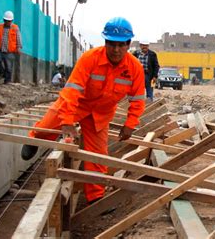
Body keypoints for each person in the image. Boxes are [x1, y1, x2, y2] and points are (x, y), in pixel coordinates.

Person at [21, 17, 145, 204]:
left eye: (121, 45)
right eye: (112, 44)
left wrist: (130, 124)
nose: (116, 49)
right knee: (47, 126)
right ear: (105, 42)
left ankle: (95, 198)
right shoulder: (90, 58)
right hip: (78, 104)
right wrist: (68, 121)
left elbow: (137, 99)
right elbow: (72, 91)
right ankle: (35, 138)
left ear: (128, 44)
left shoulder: (134, 68)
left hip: (101, 112)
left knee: (96, 156)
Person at [0, 11, 22, 84]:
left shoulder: (15, 28)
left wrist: (18, 47)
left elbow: (18, 38)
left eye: (9, 21)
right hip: (0, 50)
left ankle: (7, 81)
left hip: (10, 51)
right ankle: (1, 72)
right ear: (4, 20)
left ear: (11, 21)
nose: (8, 22)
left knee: (9, 67)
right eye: (6, 21)